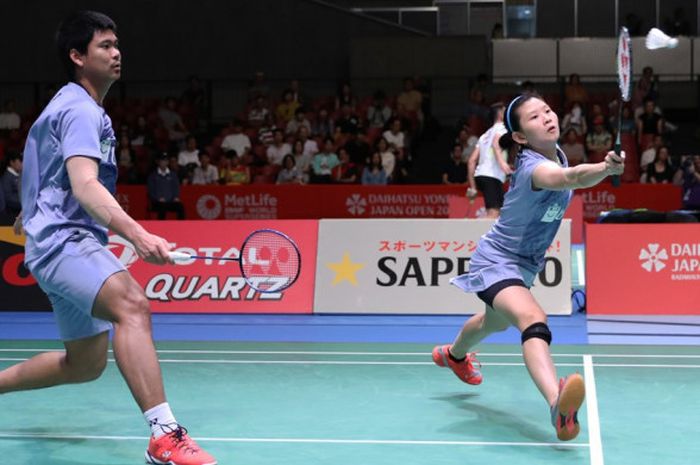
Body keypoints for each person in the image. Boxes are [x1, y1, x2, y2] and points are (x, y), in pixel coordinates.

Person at [2, 11, 216, 465]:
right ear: (77, 56)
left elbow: (40, 163)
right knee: (132, 305)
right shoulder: (81, 109)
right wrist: (138, 235)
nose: (116, 53)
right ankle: (164, 436)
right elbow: (84, 184)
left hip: (51, 244)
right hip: (65, 243)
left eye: (117, 44)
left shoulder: (60, 104)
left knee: (84, 365)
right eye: (104, 46)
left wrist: (30, 210)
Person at [432, 92, 624, 442]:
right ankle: (556, 405)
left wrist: (601, 169)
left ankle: (453, 355)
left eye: (548, 110)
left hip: (525, 266)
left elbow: (573, 173)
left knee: (492, 322)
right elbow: (571, 179)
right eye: (534, 117)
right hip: (498, 261)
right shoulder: (535, 167)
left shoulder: (557, 154)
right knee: (532, 320)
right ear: (520, 136)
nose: (547, 117)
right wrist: (604, 168)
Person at [466, 102, 511, 218]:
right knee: (493, 213)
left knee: (498, 213)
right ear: (500, 114)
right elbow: (496, 142)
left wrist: (473, 187)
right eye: (505, 111)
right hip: (491, 176)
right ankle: (471, 233)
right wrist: (502, 163)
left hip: (482, 175)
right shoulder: (503, 128)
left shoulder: (484, 135)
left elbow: (471, 161)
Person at [147, 154, 186, 219]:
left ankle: (181, 226)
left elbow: (176, 188)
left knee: (180, 206)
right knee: (162, 207)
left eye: (165, 161)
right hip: (157, 202)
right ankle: (161, 226)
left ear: (168, 162)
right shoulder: (152, 176)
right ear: (158, 162)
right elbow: (151, 191)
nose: (163, 162)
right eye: (162, 161)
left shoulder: (173, 175)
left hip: (171, 201)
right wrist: (158, 198)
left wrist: (176, 197)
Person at [1, 152, 23, 219]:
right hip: (12, 214)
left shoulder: (20, 175)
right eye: (20, 161)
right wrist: (24, 202)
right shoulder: (7, 177)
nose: (22, 163)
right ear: (11, 162)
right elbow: (9, 198)